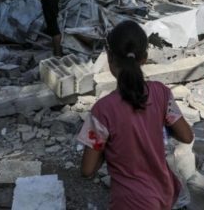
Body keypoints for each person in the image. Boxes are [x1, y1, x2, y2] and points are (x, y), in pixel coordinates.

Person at [78, 21, 194, 209]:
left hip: (129, 202)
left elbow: (87, 169)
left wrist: (107, 151)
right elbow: (187, 136)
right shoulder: (161, 93)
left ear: (110, 58)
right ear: (145, 58)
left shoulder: (102, 110)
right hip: (163, 195)